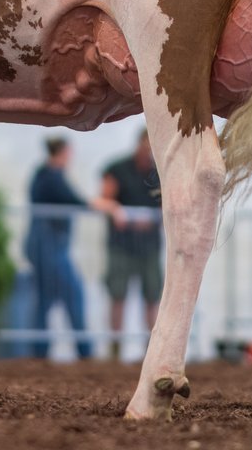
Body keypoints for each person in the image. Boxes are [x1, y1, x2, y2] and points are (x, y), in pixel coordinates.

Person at [24, 136, 123, 360]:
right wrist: (107, 205)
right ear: (64, 152)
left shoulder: (45, 174)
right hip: (49, 246)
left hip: (46, 245)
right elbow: (75, 201)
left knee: (46, 299)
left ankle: (41, 351)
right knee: (72, 293)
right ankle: (83, 351)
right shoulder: (50, 176)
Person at [100, 128, 163, 360]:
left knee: (152, 297)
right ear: (139, 143)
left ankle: (153, 351)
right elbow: (103, 199)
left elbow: (167, 208)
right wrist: (117, 211)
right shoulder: (117, 169)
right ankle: (115, 348)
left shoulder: (161, 174)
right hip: (121, 246)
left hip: (150, 247)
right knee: (118, 295)